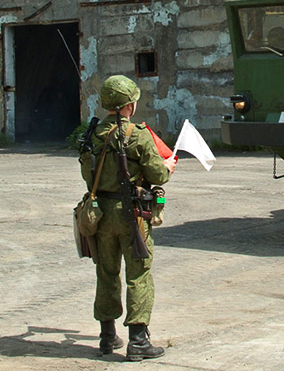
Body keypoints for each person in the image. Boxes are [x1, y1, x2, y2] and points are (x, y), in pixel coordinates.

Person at [85, 75, 175, 360]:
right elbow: (158, 175)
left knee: (106, 272)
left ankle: (107, 337)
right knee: (139, 274)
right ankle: (138, 340)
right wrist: (168, 167)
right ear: (128, 105)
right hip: (132, 215)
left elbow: (88, 174)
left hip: (100, 214)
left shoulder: (93, 134)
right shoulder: (137, 134)